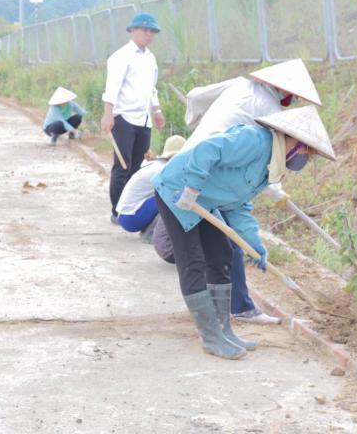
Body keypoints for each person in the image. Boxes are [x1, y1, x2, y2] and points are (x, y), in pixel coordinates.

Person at [152, 106, 335, 360]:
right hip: (177, 192)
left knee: (222, 254)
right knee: (193, 262)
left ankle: (224, 330)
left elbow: (239, 205)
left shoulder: (270, 166)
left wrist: (254, 243)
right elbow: (208, 150)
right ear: (293, 140)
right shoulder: (255, 141)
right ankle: (211, 337)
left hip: (204, 201)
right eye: (308, 151)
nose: (306, 158)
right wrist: (192, 186)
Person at [180, 59, 322, 326]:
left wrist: (199, 124)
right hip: (210, 168)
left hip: (201, 158)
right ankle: (239, 309)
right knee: (226, 245)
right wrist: (277, 191)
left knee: (222, 245)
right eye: (293, 96)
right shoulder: (267, 110)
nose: (292, 100)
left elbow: (195, 95)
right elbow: (265, 155)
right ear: (284, 91)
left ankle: (228, 307)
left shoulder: (239, 84)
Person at [101, 12, 165, 225]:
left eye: (152, 31)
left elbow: (151, 88)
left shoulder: (150, 57)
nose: (149, 35)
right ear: (133, 30)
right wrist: (108, 114)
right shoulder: (121, 57)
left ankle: (131, 209)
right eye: (146, 30)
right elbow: (112, 88)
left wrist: (156, 110)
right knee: (122, 166)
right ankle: (117, 210)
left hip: (143, 119)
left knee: (137, 168)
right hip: (124, 118)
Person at [115, 135, 185, 236]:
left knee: (171, 195)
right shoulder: (164, 170)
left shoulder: (158, 165)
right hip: (131, 218)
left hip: (127, 215)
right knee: (173, 197)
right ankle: (152, 233)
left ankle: (149, 229)